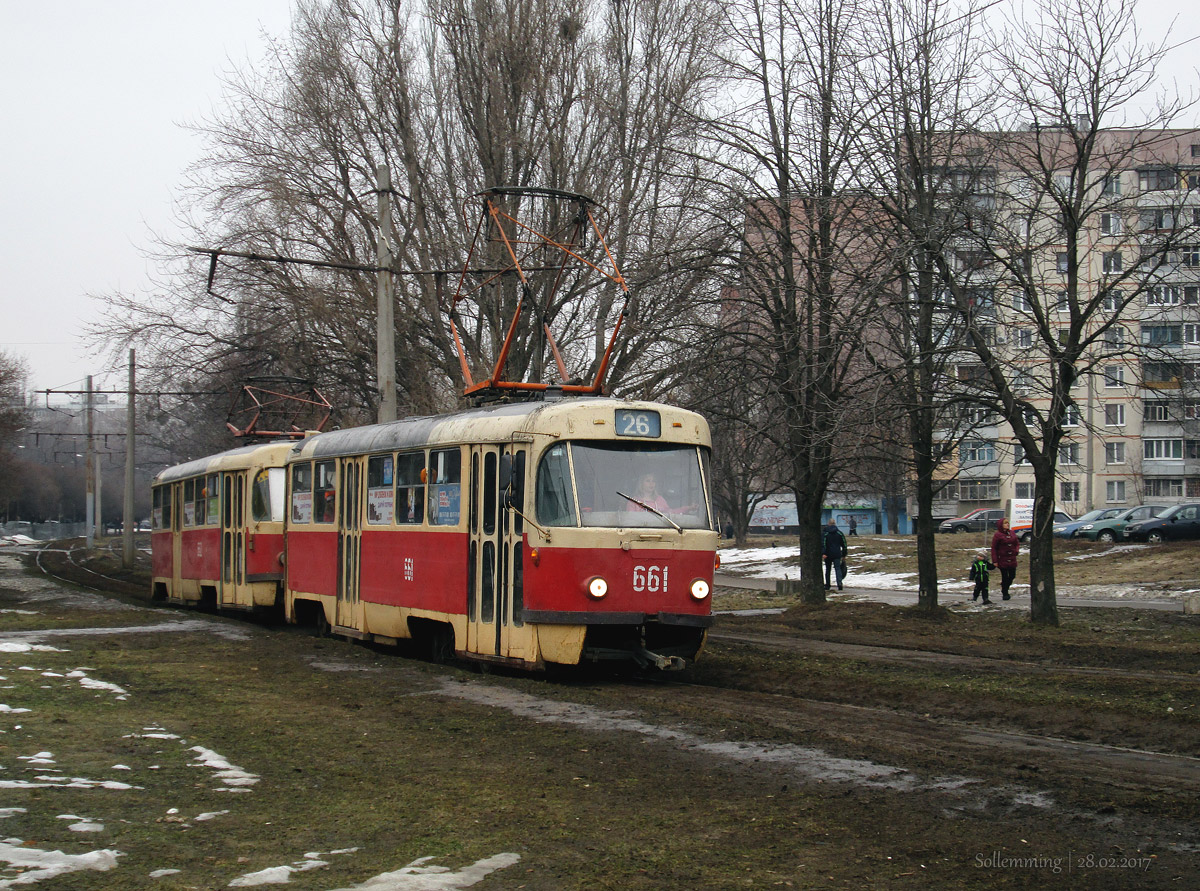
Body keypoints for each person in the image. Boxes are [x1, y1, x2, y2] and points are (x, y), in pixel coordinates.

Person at [991, 517, 1020, 601]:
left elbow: (1017, 543)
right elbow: (994, 548)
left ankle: (1004, 586)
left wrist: (1016, 551)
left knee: (1012, 575)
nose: (1007, 524)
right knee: (1005, 576)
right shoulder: (998, 535)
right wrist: (995, 561)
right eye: (1005, 523)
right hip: (1002, 559)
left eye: (1008, 523)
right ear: (1001, 525)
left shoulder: (1012, 533)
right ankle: (1005, 592)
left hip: (1012, 558)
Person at [822, 519, 848, 590]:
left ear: (828, 524)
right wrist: (844, 554)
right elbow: (844, 544)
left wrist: (823, 553)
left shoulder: (825, 533)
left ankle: (827, 585)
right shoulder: (839, 533)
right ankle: (839, 583)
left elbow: (823, 544)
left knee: (828, 569)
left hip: (827, 554)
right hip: (837, 553)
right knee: (838, 568)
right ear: (835, 524)